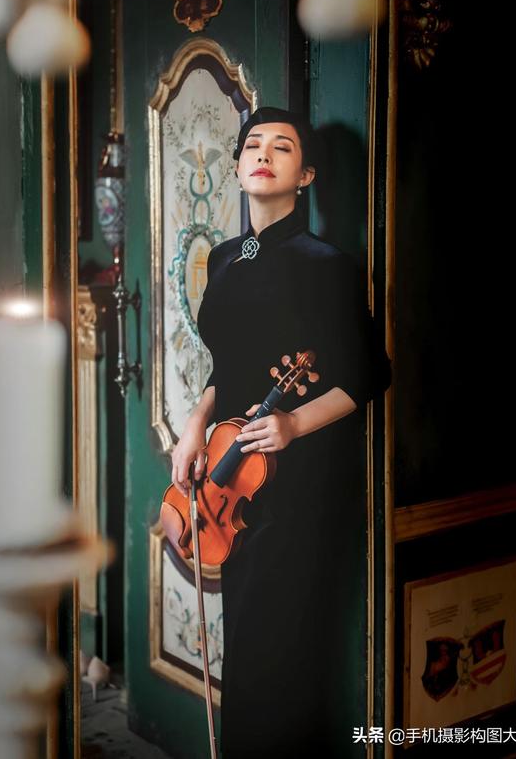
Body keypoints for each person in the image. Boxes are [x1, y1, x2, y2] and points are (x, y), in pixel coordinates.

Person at [170, 106, 391, 758]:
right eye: (253, 145)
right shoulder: (224, 259)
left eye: (283, 147)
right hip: (231, 474)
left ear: (307, 175)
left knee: (272, 657)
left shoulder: (326, 262)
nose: (264, 154)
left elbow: (370, 371)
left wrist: (294, 422)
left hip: (298, 484)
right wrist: (194, 424)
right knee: (246, 643)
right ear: (238, 167)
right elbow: (228, 367)